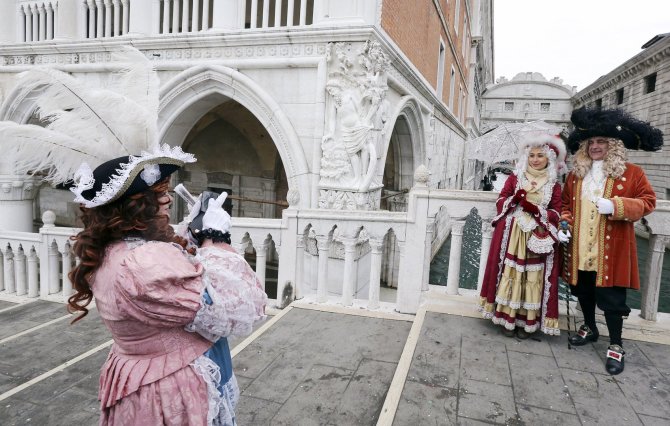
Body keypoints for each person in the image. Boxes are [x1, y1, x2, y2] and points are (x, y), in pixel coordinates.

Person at [67, 147, 268, 424]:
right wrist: (215, 238)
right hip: (170, 386)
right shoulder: (140, 264)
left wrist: (193, 228)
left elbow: (168, 268)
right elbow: (227, 309)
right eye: (159, 194)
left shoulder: (116, 250)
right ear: (135, 207)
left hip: (142, 373)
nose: (167, 200)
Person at [559, 107, 662, 375]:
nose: (594, 146)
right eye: (590, 142)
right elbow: (567, 205)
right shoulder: (575, 175)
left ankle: (616, 344)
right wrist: (565, 223)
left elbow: (648, 202)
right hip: (580, 247)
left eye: (601, 141)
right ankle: (590, 328)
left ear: (613, 145)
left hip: (611, 249)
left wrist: (617, 206)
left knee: (613, 301)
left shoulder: (632, 173)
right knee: (583, 291)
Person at [479, 133, 567, 338]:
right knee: (511, 274)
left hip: (536, 236)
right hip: (512, 236)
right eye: (532, 155)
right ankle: (507, 319)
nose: (535, 159)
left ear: (549, 159)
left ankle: (526, 322)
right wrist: (514, 200)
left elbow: (556, 212)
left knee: (531, 277)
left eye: (540, 156)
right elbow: (501, 200)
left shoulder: (554, 185)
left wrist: (537, 212)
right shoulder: (515, 178)